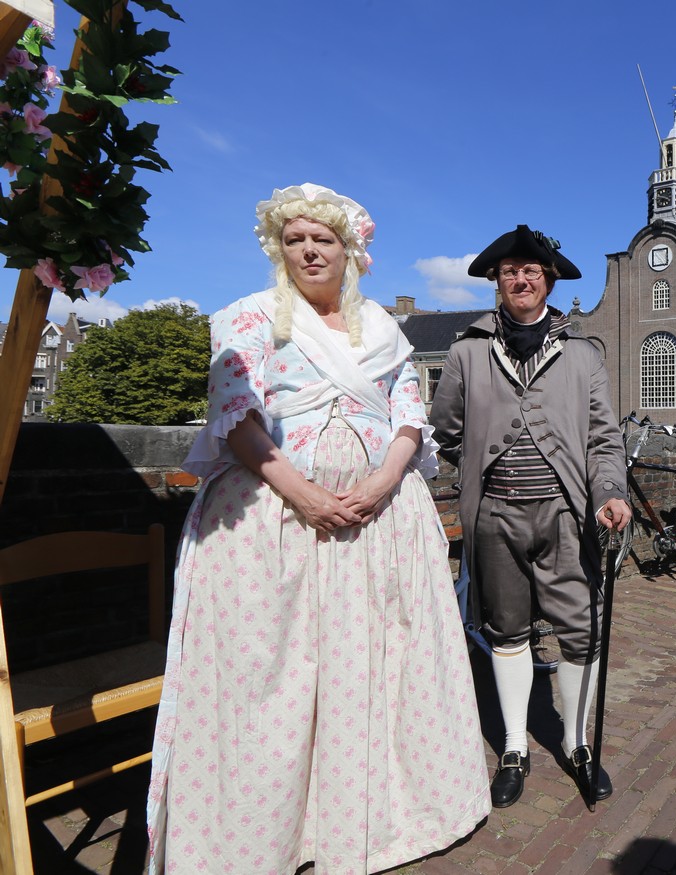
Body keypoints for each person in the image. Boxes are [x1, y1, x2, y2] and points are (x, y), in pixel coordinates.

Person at [145, 184, 490, 873]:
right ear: (279, 247)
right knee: (272, 674)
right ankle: (262, 837)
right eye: (295, 239)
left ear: (348, 249)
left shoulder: (383, 330)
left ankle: (371, 817)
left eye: (322, 239)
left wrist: (383, 481)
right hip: (273, 520)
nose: (308, 250)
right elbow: (237, 414)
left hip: (378, 520)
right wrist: (302, 494)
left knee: (372, 663)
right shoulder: (248, 318)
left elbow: (408, 415)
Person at [429, 225, 632, 809]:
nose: (521, 279)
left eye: (532, 271)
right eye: (511, 271)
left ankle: (576, 742)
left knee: (581, 630)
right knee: (507, 630)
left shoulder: (584, 356)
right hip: (494, 516)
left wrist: (609, 491)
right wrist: (478, 469)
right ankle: (515, 746)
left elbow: (603, 440)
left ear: (548, 280)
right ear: (498, 281)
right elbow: (445, 431)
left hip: (566, 515)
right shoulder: (467, 352)